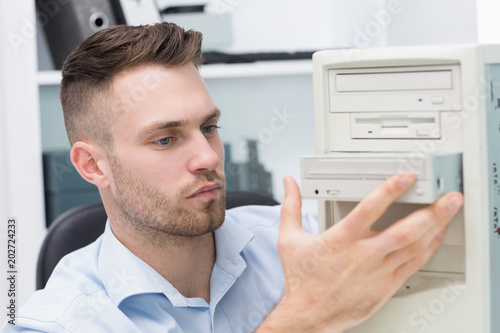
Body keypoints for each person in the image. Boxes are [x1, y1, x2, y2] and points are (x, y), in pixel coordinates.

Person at [2, 22, 463, 333]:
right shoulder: (59, 322)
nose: (207, 156)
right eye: (165, 139)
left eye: (208, 128)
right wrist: (305, 317)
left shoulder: (303, 243)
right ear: (92, 166)